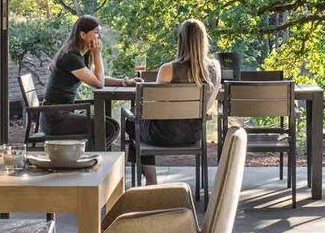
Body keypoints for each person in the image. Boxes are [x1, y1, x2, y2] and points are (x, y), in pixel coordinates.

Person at [127, 18, 221, 184]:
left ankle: (151, 179)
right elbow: (209, 103)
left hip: (163, 136)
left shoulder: (168, 69)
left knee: (132, 120)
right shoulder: (215, 68)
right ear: (203, 40)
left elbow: (155, 109)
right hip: (194, 135)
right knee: (138, 120)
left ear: (181, 41)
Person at [41, 15, 137, 144]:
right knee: (107, 127)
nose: (100, 36)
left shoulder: (80, 55)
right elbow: (99, 83)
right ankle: (89, 157)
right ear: (82, 34)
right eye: (96, 32)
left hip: (62, 114)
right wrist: (97, 54)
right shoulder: (71, 57)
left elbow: (97, 78)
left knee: (111, 125)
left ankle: (89, 156)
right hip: (55, 120)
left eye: (100, 32)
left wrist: (124, 82)